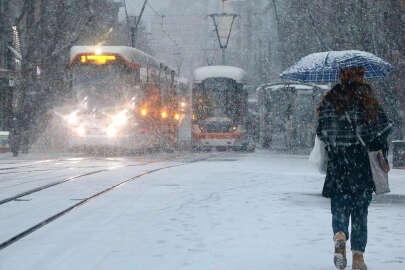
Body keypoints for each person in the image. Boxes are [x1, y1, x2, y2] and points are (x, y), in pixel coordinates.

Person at [316, 66, 392, 270]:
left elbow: (321, 132)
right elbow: (382, 130)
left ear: (341, 75)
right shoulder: (368, 99)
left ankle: (340, 234)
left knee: (339, 205)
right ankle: (358, 256)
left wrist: (336, 142)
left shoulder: (331, 99)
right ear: (361, 75)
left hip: (338, 163)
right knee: (360, 212)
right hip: (362, 164)